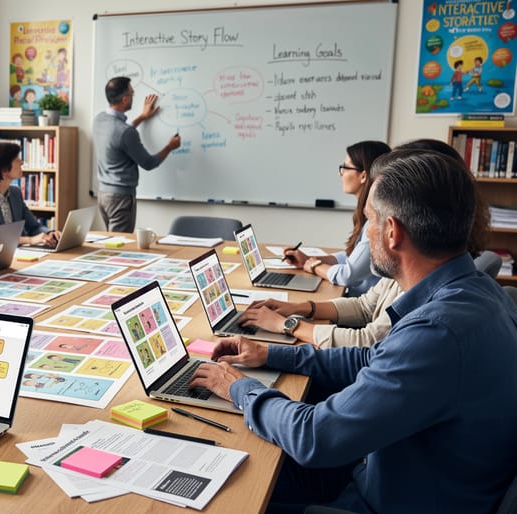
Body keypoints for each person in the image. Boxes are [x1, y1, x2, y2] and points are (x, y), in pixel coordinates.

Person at [190, 150, 517, 513]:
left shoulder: (438, 333)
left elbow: (315, 437)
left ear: (392, 232)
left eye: (370, 221)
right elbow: (372, 358)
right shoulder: (475, 290)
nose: (365, 233)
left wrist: (238, 389)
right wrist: (270, 354)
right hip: (391, 470)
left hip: (380, 498)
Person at [242, 139, 489, 348]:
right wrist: (298, 308)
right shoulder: (422, 266)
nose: (368, 233)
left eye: (372, 220)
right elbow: (364, 307)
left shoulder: (428, 307)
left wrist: (288, 324)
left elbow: (368, 342)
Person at [282, 141, 391, 297]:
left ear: (363, 175)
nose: (341, 173)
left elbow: (347, 275)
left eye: (345, 167)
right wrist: (309, 259)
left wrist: (313, 265)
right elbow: (353, 256)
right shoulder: (367, 214)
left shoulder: (376, 221)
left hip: (361, 305)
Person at [93, 76, 182, 233]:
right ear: (125, 99)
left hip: (103, 195)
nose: (133, 97)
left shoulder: (99, 120)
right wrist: (169, 147)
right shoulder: (126, 132)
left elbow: (119, 135)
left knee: (112, 244)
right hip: (120, 198)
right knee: (119, 246)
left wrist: (142, 117)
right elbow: (148, 163)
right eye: (132, 94)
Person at [0, 140, 61, 248]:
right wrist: (29, 240)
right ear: (4, 169)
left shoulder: (15, 192)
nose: (22, 162)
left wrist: (49, 234)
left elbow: (34, 227)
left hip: (15, 254)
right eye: (16, 159)